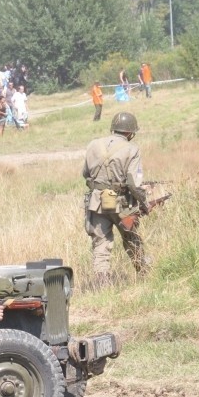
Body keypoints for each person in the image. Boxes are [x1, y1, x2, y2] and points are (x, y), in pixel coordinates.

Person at [82, 112, 150, 286]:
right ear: (130, 132)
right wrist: (144, 203)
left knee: (101, 243)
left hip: (98, 201)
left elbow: (85, 174)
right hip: (122, 203)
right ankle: (146, 276)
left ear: (113, 128)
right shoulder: (132, 149)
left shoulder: (93, 144)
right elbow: (134, 183)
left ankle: (102, 283)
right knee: (132, 238)